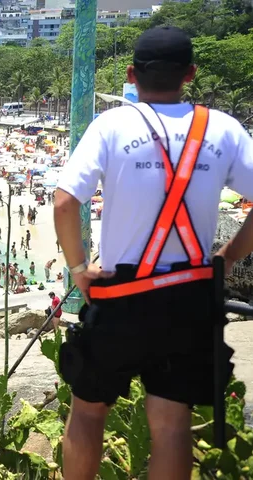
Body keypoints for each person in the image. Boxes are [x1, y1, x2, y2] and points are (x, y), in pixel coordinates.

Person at [53, 26, 253, 480]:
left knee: (88, 413)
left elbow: (65, 201)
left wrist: (79, 269)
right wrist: (229, 256)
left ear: (131, 74)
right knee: (171, 426)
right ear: (191, 74)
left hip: (120, 295)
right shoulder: (221, 128)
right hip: (188, 298)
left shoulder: (112, 124)